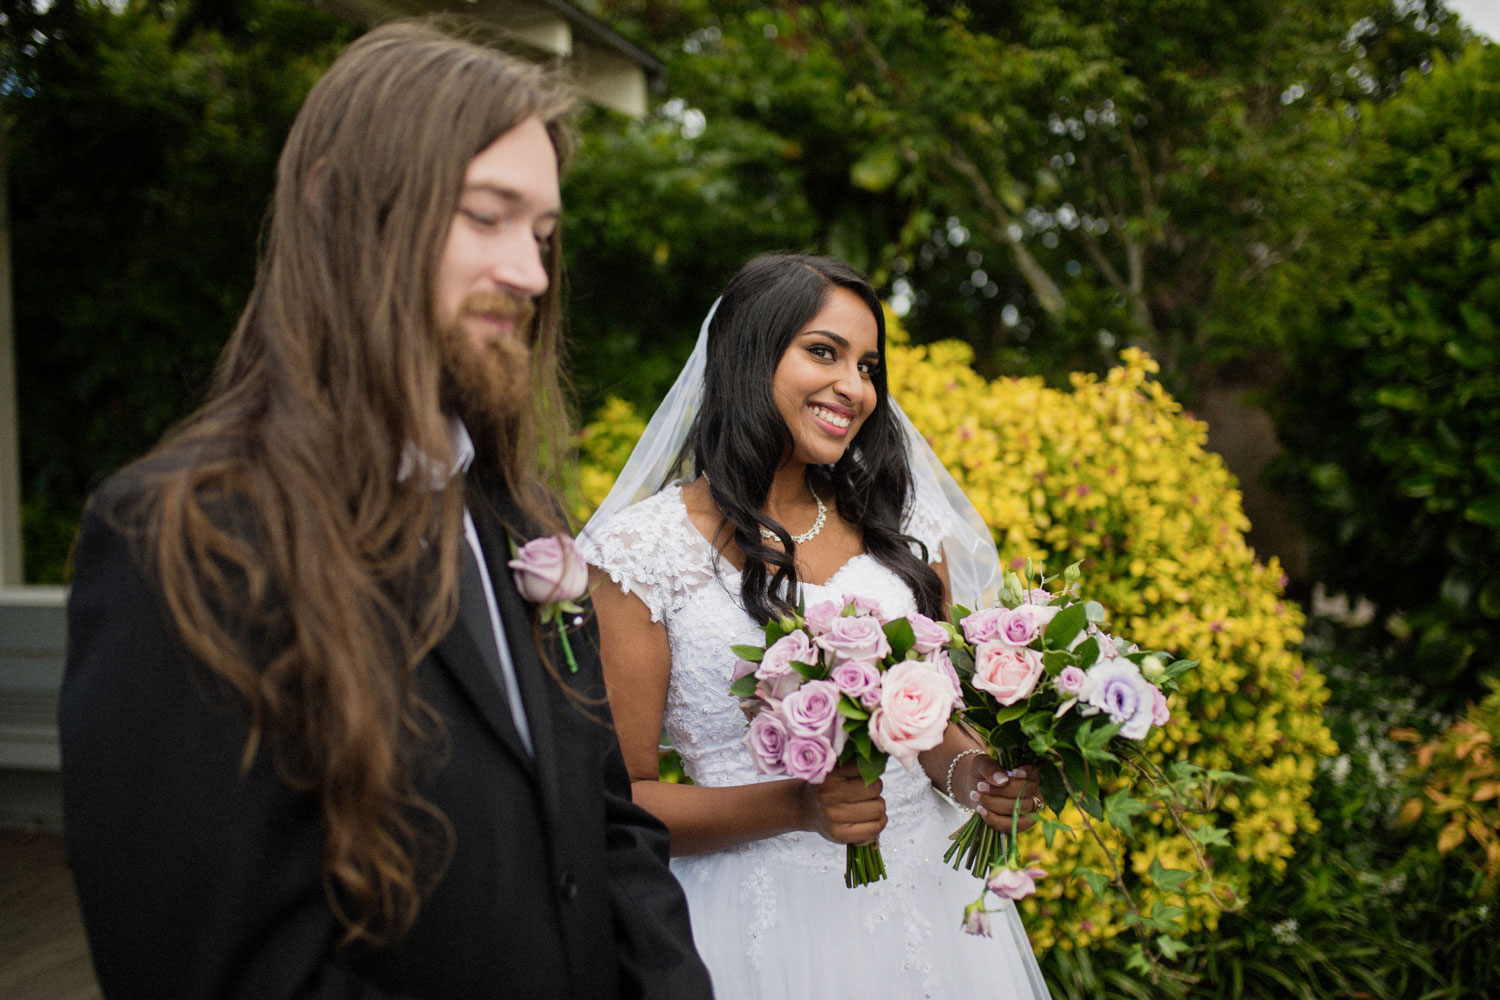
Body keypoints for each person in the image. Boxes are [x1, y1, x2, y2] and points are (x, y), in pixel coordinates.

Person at [59, 22, 712, 1000]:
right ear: (342, 206)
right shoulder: (185, 539)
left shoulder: (522, 517)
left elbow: (605, 818)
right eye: (487, 216)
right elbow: (221, 971)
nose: (533, 275)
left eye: (540, 234)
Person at [579, 253, 1053, 999]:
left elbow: (933, 731)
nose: (854, 387)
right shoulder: (643, 553)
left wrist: (978, 778)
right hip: (751, 926)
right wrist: (797, 806)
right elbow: (620, 800)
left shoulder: (908, 535)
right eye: (823, 352)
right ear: (748, 354)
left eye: (868, 365)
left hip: (924, 914)